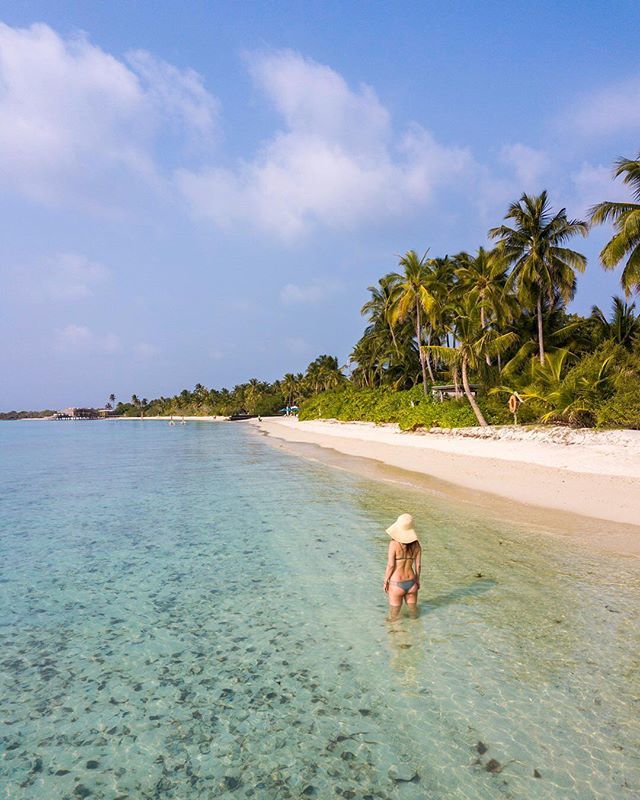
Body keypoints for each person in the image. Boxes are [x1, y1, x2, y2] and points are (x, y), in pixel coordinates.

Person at [383, 513, 422, 619]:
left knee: (394, 617)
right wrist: (417, 580)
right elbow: (418, 566)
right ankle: (415, 633)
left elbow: (391, 565)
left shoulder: (394, 544)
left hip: (396, 584)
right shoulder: (417, 545)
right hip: (412, 583)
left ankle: (397, 633)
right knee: (413, 614)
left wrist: (385, 581)